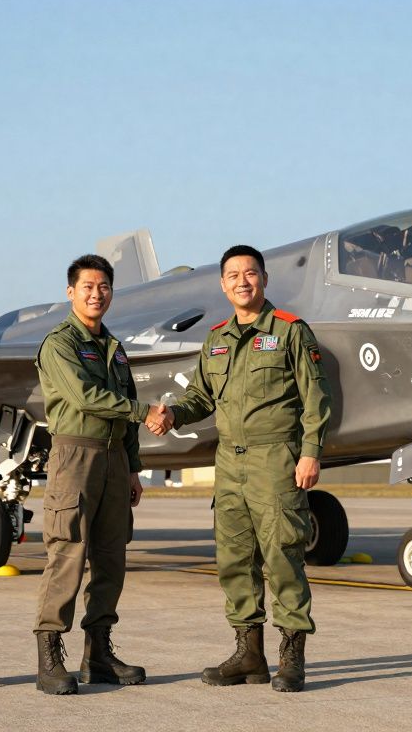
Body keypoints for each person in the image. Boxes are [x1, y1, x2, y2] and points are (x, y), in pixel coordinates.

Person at [147, 245, 331, 692]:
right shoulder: (216, 340)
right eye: (233, 275)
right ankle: (249, 656)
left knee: (283, 556)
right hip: (229, 462)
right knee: (234, 560)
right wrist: (173, 414)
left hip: (276, 459)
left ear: (264, 279)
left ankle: (292, 658)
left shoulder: (290, 331)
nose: (242, 281)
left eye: (250, 273)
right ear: (223, 284)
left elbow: (316, 398)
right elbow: (200, 398)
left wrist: (310, 452)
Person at [33, 253, 166, 695]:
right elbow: (85, 397)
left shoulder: (114, 348)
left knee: (111, 558)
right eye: (88, 287)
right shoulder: (60, 344)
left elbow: (124, 419)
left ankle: (98, 656)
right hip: (75, 457)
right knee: (68, 553)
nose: (97, 294)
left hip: (114, 461)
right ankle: (49, 657)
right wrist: (144, 411)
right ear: (71, 292)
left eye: (104, 287)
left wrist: (133, 468)